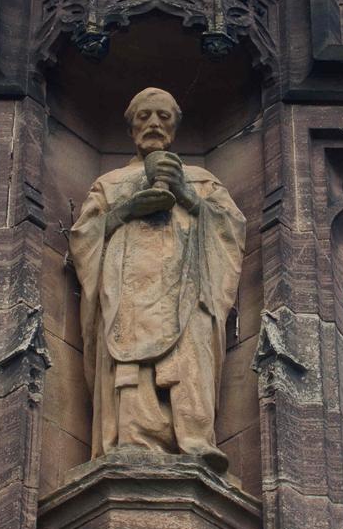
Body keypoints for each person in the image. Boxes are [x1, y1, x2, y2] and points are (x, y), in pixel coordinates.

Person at [68, 87, 246, 471]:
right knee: (130, 366)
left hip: (187, 291)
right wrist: (125, 211)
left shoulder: (202, 181)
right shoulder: (109, 185)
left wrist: (185, 194)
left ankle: (195, 441)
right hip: (127, 295)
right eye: (144, 117)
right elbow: (84, 238)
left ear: (174, 129)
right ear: (131, 129)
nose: (153, 124)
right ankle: (131, 439)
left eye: (163, 117)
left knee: (188, 358)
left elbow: (230, 232)